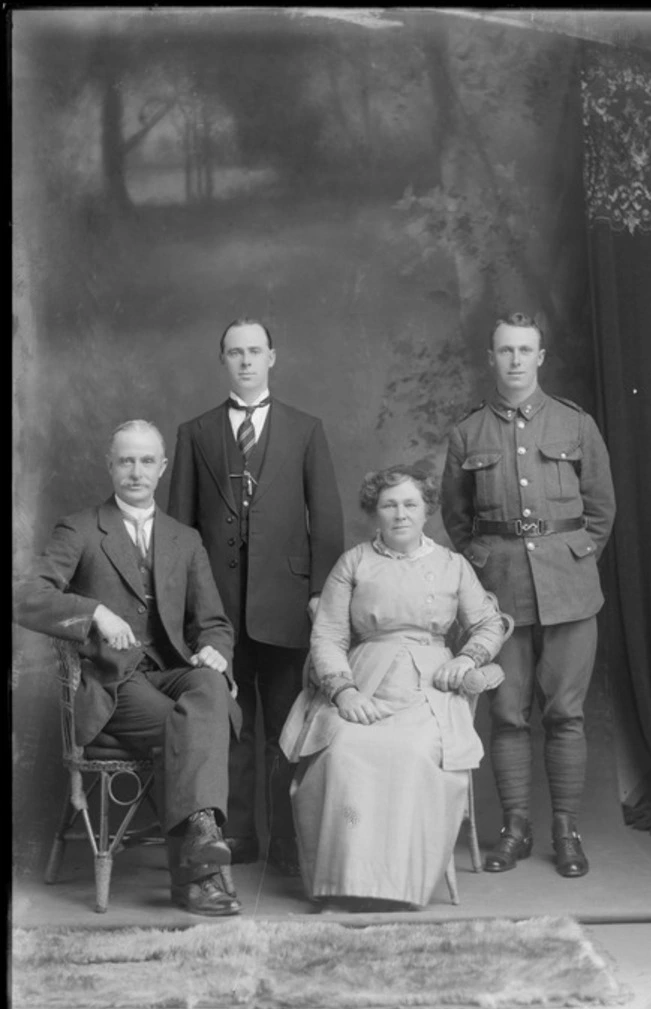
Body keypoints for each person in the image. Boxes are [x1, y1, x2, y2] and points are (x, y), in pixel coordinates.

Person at [14, 420, 243, 916]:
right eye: (125, 461)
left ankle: (200, 850)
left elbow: (215, 622)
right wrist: (94, 612)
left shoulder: (185, 538)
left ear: (161, 469)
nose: (135, 471)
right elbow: (26, 597)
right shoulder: (79, 529)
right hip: (114, 681)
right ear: (110, 466)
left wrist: (216, 650)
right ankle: (201, 874)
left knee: (208, 685)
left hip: (169, 669)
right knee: (193, 729)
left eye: (145, 461)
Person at [279, 465, 508, 912]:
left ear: (426, 512)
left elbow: (486, 624)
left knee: (415, 753)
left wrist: (466, 658)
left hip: (431, 688)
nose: (400, 514)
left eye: (410, 504)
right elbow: (327, 635)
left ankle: (401, 886)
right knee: (343, 751)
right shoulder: (354, 563)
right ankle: (343, 882)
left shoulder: (452, 565)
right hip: (364, 679)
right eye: (389, 505)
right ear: (374, 513)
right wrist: (344, 692)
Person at [441, 311, 616, 878]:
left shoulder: (575, 424)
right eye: (505, 351)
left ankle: (566, 829)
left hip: (569, 590)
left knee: (565, 712)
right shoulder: (468, 433)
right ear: (490, 358)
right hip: (501, 594)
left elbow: (600, 511)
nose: (515, 360)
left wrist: (572, 558)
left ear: (541, 357)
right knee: (509, 713)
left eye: (525, 350)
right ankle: (515, 827)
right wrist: (485, 567)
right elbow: (457, 518)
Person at [167, 318, 344, 876]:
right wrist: (191, 608)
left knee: (290, 723)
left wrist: (320, 594)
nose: (245, 361)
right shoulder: (195, 432)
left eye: (255, 352)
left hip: (289, 606)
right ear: (222, 360)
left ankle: (289, 838)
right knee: (228, 725)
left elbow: (329, 520)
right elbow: (178, 530)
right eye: (234, 353)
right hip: (217, 612)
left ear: (273, 357)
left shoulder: (305, 428)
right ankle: (237, 833)